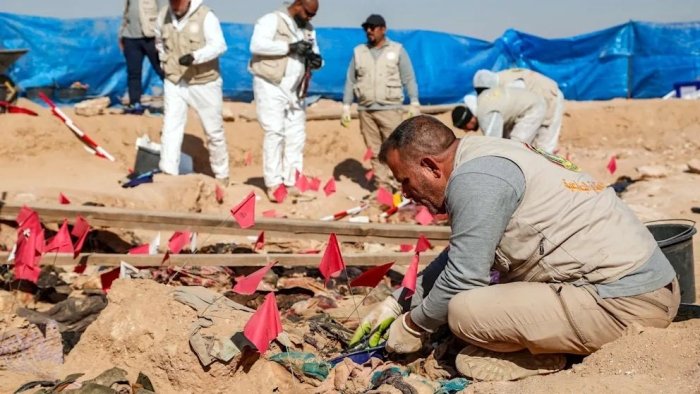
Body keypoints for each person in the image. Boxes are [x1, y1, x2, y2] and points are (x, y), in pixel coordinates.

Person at [351, 115, 680, 381]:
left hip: (625, 304)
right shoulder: (485, 154)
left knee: (465, 311)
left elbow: (464, 279)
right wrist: (399, 303)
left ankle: (547, 357)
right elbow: (465, 252)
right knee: (461, 313)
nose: (405, 193)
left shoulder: (476, 180)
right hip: (648, 287)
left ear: (431, 166)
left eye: (405, 180)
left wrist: (413, 325)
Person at [249, 0, 322, 202]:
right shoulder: (272, 20)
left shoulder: (308, 30)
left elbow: (316, 53)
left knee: (296, 136)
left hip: (296, 91)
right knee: (275, 132)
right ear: (298, 5)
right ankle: (274, 183)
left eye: (313, 15)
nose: (310, 18)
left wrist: (317, 61)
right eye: (308, 13)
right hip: (271, 85)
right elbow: (256, 45)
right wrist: (289, 46)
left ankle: (292, 181)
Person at [341, 14, 420, 192]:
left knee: (395, 149)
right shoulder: (359, 52)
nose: (369, 31)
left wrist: (414, 101)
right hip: (366, 110)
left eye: (373, 27)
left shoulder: (397, 50)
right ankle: (382, 189)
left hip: (390, 109)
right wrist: (346, 106)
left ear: (383, 29)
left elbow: (409, 78)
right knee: (375, 151)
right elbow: (350, 80)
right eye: (366, 28)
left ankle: (402, 187)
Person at [155, 0, 230, 184]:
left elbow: (219, 45)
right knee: (171, 125)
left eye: (178, 2)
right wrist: (166, 62)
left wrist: (196, 57)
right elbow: (159, 43)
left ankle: (222, 175)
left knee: (213, 131)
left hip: (203, 81)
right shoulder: (163, 16)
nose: (175, 6)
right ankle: (168, 173)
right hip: (175, 80)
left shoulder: (206, 16)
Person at [474, 68, 564, 153]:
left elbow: (522, 107)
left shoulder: (511, 85)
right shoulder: (500, 79)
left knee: (544, 145)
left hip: (551, 98)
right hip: (538, 101)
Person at [119, 0, 166, 114]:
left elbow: (163, 13)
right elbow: (126, 15)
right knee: (133, 73)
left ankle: (176, 100)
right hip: (131, 38)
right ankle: (135, 104)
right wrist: (121, 35)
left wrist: (160, 36)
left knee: (162, 69)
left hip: (151, 37)